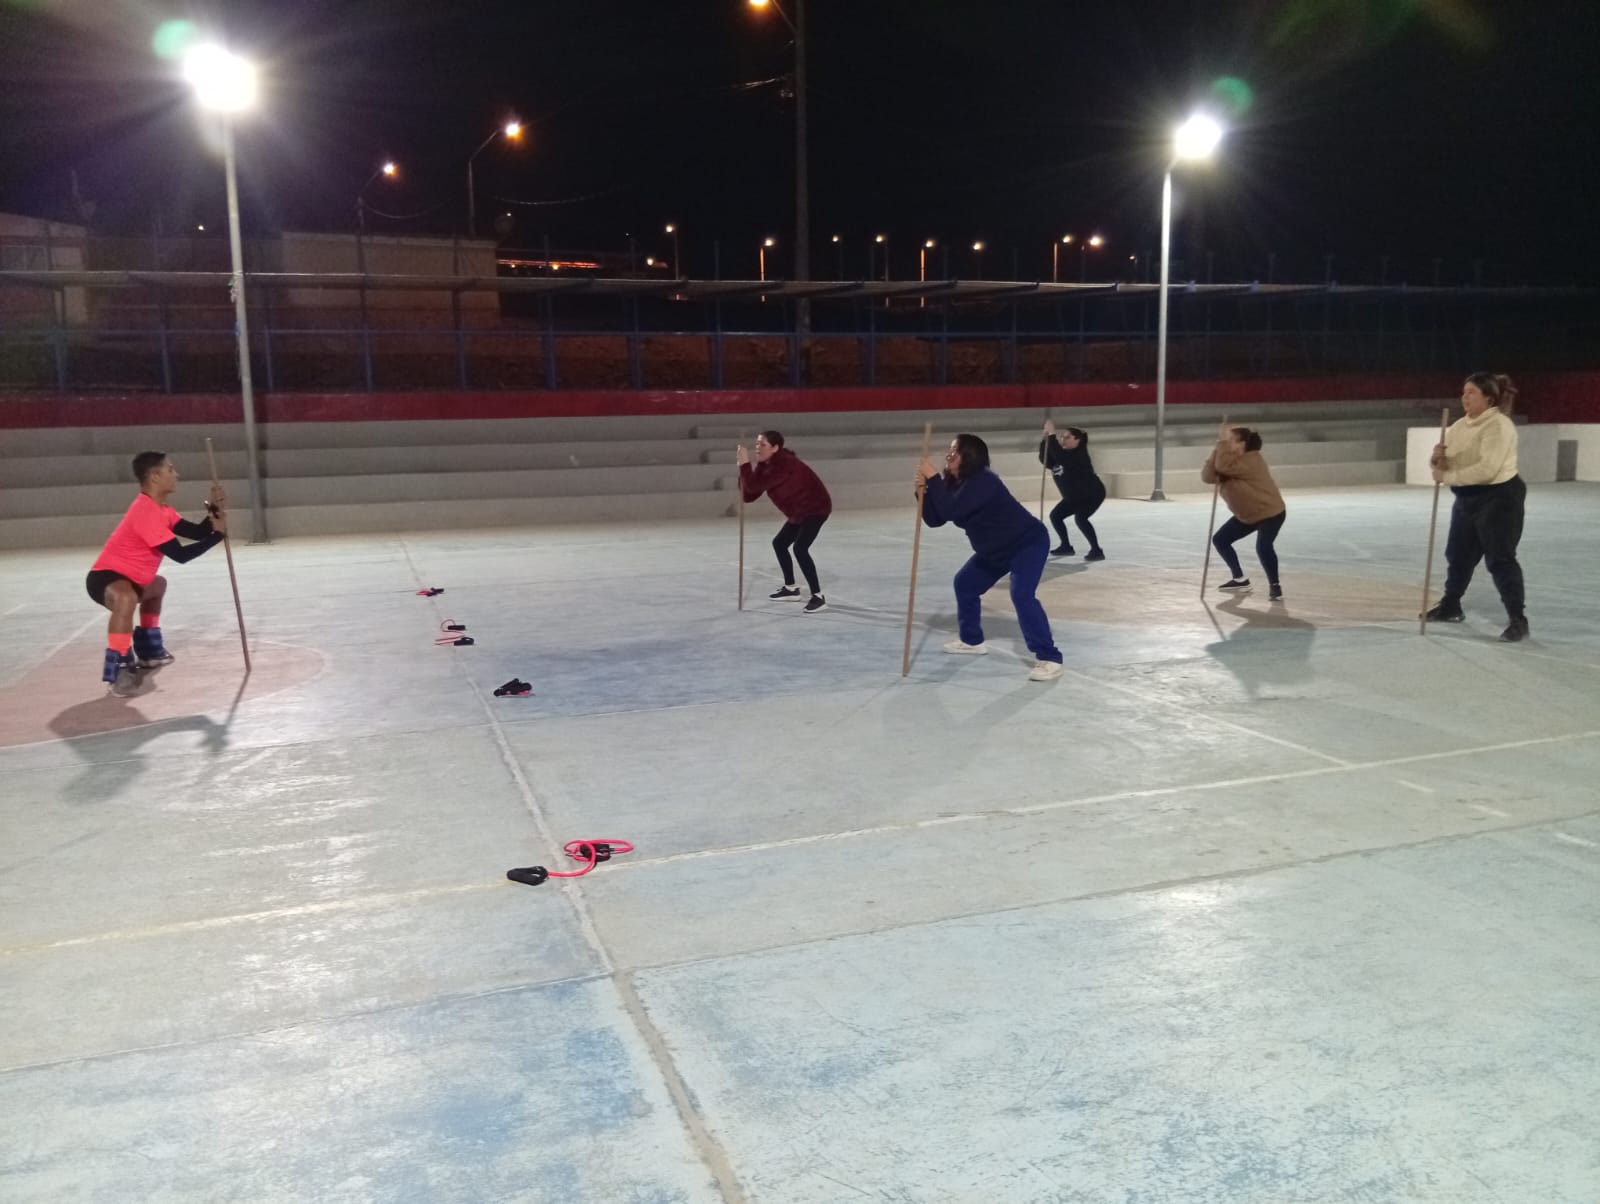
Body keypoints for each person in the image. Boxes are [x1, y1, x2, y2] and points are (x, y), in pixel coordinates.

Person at [917, 433, 1064, 682]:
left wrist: (932, 479)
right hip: (994, 550)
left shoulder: (985, 481)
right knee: (964, 584)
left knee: (1021, 594)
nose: (948, 454)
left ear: (970, 456)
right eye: (950, 449)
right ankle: (972, 640)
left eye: (955, 450)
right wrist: (922, 491)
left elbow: (952, 510)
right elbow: (935, 519)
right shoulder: (953, 481)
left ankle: (1050, 657)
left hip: (1026, 544)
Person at [86, 451, 226, 696]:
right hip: (105, 578)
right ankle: (118, 667)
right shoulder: (145, 512)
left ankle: (149, 652)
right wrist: (218, 537)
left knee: (157, 584)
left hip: (133, 580)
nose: (176, 474)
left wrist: (214, 508)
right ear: (154, 477)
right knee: (126, 598)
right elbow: (180, 555)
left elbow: (197, 532)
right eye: (170, 469)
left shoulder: (163, 511)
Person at [1424, 373, 1528, 642]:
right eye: (1463, 392)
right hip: (1467, 498)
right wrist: (1438, 459)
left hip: (1499, 498)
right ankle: (1451, 605)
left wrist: (1446, 477)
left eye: (1471, 392)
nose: (1464, 397)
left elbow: (1487, 469)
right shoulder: (1458, 426)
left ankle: (1518, 618)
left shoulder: (1499, 425)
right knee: (1458, 554)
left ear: (1488, 398)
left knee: (1500, 558)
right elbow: (1451, 465)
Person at [737, 430, 833, 613]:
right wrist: (742, 468)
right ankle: (791, 588)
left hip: (815, 508)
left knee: (800, 548)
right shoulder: (765, 465)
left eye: (762, 444)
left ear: (775, 448)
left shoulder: (784, 464)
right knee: (780, 543)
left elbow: (754, 485)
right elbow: (749, 495)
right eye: (757, 444)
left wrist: (744, 465)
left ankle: (818, 597)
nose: (757, 448)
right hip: (799, 511)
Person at [1201, 422, 1287, 601]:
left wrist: (1222, 445)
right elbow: (1208, 476)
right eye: (1227, 440)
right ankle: (1240, 579)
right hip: (1247, 515)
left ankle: (1275, 586)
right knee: (1220, 539)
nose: (1227, 442)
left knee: (1263, 546)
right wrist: (1219, 446)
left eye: (1231, 440)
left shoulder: (1252, 459)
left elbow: (1223, 468)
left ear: (1242, 444)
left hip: (1269, 512)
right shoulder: (1226, 460)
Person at [1038, 419, 1107, 560]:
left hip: (1091, 495)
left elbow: (1060, 456)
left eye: (1067, 437)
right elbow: (1045, 459)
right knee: (1056, 516)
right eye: (1062, 437)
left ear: (1078, 440)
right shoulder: (1061, 455)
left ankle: (1096, 550)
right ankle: (1066, 546)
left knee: (1081, 518)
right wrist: (1045, 439)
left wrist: (1052, 434)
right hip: (1073, 497)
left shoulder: (1079, 455)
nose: (1063, 439)